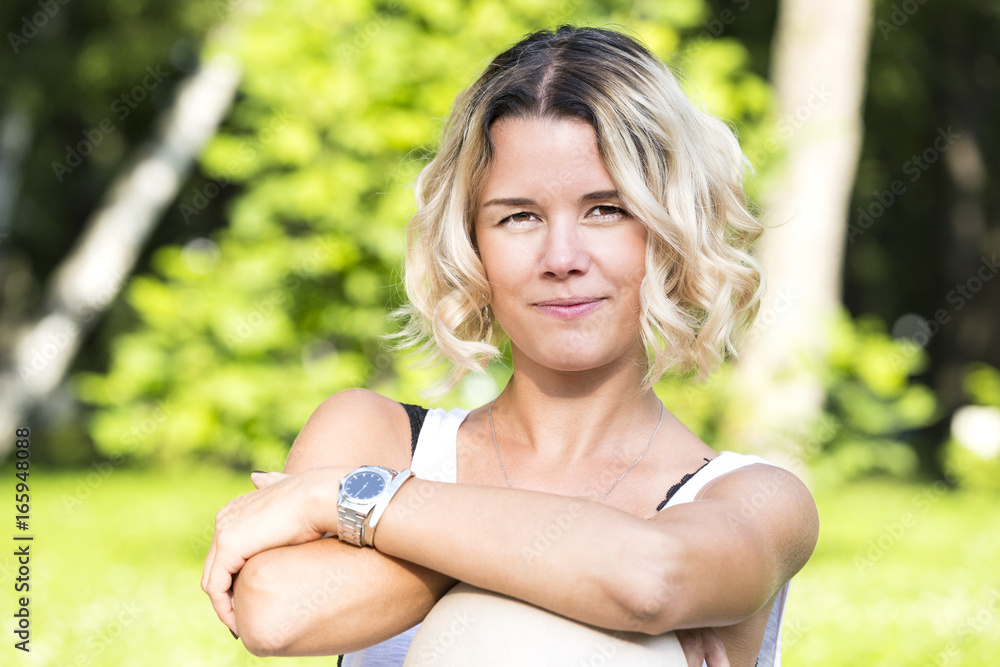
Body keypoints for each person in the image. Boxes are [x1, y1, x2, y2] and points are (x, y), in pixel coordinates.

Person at [201, 24, 820, 667]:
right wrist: (578, 567)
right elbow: (278, 611)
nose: (561, 258)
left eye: (606, 209)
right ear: (473, 243)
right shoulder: (375, 436)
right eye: (518, 216)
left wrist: (338, 503)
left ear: (670, 228)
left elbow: (650, 578)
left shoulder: (756, 499)